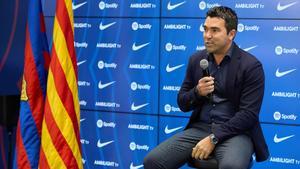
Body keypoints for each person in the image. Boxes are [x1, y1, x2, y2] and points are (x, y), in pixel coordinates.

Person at [144, 6, 269, 169]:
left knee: (231, 167)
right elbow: (182, 103)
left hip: (236, 132)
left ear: (231, 34)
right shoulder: (196, 60)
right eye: (205, 29)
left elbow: (248, 114)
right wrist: (197, 92)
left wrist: (214, 138)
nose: (207, 36)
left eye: (215, 30)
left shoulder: (250, 66)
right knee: (152, 161)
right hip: (200, 128)